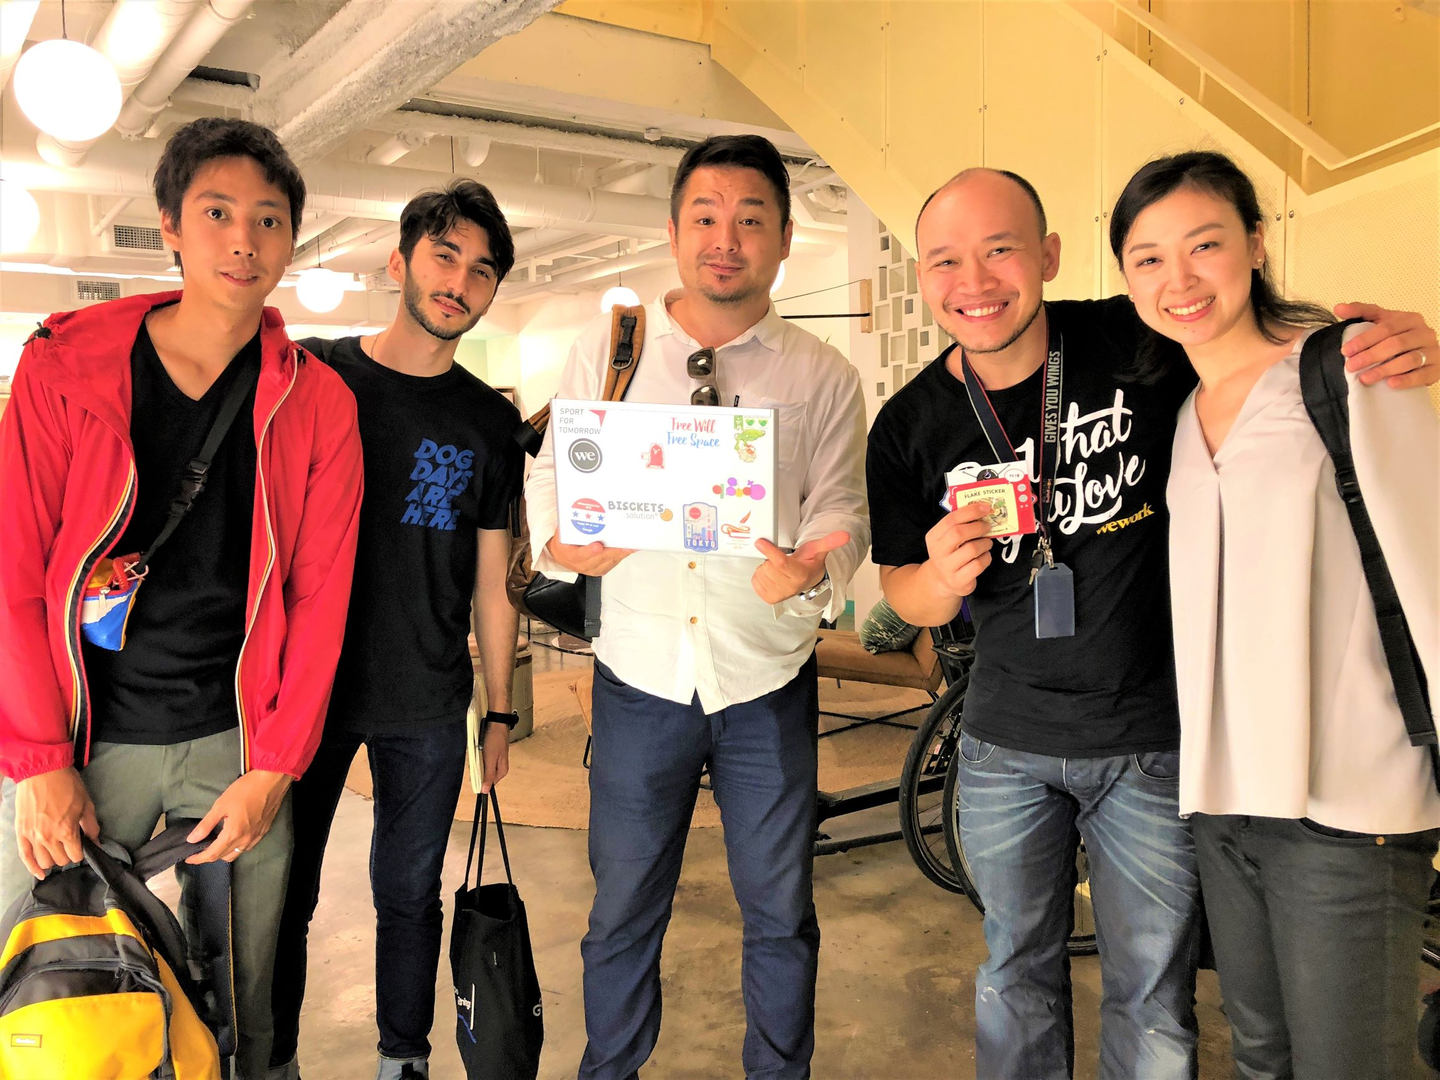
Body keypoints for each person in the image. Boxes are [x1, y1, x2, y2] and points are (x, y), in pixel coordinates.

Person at [865, 166, 1438, 1080]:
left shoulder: (1134, 337)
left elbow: (1249, 329)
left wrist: (1396, 343)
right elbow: (903, 592)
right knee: (1014, 973)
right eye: (944, 260)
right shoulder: (907, 425)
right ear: (923, 273)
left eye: (1000, 249)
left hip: (1158, 743)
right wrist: (937, 579)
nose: (974, 281)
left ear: (1049, 256)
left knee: (1155, 992)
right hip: (1009, 739)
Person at [0, 117, 364, 1079]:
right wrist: (38, 761)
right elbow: (14, 568)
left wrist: (275, 768)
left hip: (236, 743)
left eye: (269, 219)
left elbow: (320, 597)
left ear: (291, 239)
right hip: (88, 739)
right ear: (169, 225)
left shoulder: (318, 402)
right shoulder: (66, 367)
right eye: (217, 213)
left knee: (242, 1002)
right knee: (55, 989)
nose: (245, 240)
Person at [525, 134, 868, 1080]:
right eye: (706, 218)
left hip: (766, 677)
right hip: (639, 678)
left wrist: (816, 570)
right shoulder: (611, 348)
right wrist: (559, 542)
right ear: (673, 232)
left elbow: (843, 506)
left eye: (751, 220)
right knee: (621, 910)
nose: (727, 239)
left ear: (784, 238)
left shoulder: (821, 374)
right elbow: (552, 471)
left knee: (781, 913)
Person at [1111, 149, 1439, 1080]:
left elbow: (1431, 565)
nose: (1179, 279)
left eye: (1205, 244)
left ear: (1256, 244)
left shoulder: (1348, 371)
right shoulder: (1180, 415)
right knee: (1260, 1055)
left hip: (1349, 798)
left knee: (1348, 1065)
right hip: (1225, 801)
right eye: (1148, 258)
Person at [267, 180, 525, 1080]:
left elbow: (494, 582)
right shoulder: (314, 373)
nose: (460, 282)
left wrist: (500, 712)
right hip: (307, 692)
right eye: (444, 257)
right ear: (399, 262)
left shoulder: (490, 421)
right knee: (284, 895)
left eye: (481, 270)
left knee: (410, 896)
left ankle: (402, 1061)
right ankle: (274, 1059)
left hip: (426, 696)